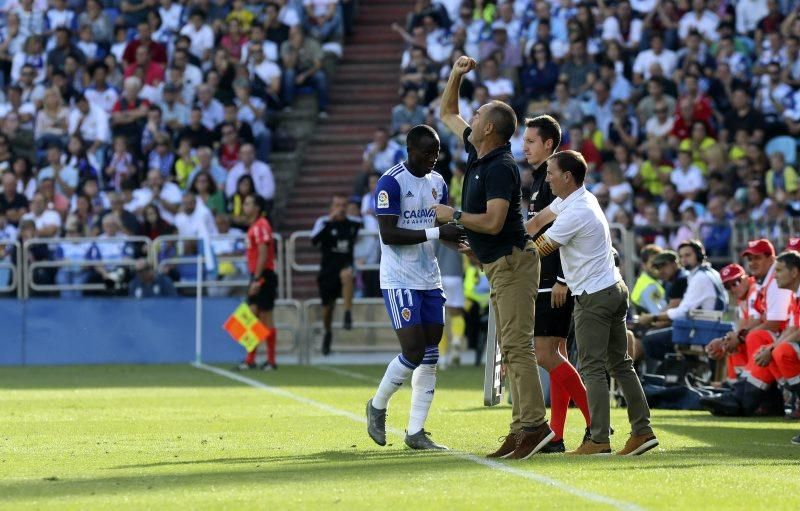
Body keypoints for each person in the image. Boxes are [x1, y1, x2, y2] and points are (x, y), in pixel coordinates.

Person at [435, 56, 553, 460]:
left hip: (513, 263)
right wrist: (455, 74)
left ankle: (535, 427)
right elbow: (447, 111)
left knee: (517, 348)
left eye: (480, 111)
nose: (474, 112)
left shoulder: (501, 165)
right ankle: (521, 428)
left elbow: (495, 219)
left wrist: (452, 214)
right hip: (498, 262)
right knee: (512, 345)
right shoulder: (480, 152)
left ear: (488, 128)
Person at [527, 150, 657, 456]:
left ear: (567, 177)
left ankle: (598, 439)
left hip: (594, 296)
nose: (547, 178)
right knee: (621, 365)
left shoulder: (575, 212)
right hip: (613, 288)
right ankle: (642, 431)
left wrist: (496, 257)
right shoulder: (578, 200)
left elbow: (539, 249)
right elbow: (536, 223)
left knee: (593, 368)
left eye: (551, 173)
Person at [365, 124, 463, 451]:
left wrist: (467, 249)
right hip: (399, 278)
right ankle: (377, 406)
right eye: (427, 152)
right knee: (413, 350)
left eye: (437, 152)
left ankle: (415, 432)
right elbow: (390, 235)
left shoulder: (438, 183)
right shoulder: (390, 182)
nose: (434, 158)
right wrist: (438, 235)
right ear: (410, 150)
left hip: (429, 277)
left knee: (431, 352)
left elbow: (442, 229)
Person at [522, 114, 590, 453]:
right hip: (548, 277)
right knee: (557, 355)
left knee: (546, 353)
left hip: (554, 280)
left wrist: (562, 277)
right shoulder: (541, 180)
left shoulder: (555, 181)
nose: (525, 146)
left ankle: (597, 426)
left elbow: (563, 233)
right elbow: (535, 225)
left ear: (549, 144)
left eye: (531, 141)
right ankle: (557, 435)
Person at [700, 239, 794, 416]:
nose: (733, 288)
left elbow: (776, 322)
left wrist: (740, 336)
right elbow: (755, 322)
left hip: (786, 340)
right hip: (784, 338)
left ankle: (746, 398)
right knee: (740, 340)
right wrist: (728, 339)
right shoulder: (762, 283)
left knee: (755, 337)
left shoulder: (773, 282)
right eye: (728, 286)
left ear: (772, 258)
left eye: (757, 258)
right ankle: (744, 394)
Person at [637, 240, 728, 366]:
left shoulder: (699, 278)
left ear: (699, 255)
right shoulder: (711, 272)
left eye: (688, 255)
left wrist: (653, 317)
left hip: (702, 330)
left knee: (648, 341)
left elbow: (682, 311)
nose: (684, 259)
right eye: (681, 256)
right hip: (708, 326)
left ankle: (684, 371)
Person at [310, 195, 361, 355]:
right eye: (337, 205)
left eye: (343, 205)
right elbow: (314, 241)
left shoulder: (354, 223)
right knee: (327, 309)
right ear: (331, 207)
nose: (341, 208)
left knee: (347, 275)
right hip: (327, 270)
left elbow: (370, 226)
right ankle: (327, 332)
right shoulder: (323, 222)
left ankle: (347, 314)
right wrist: (330, 221)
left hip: (345, 266)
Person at [237, 194, 279, 371]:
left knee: (265, 318)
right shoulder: (254, 226)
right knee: (250, 317)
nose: (244, 206)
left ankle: (271, 360)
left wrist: (257, 278)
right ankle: (250, 359)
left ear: (257, 208)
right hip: (257, 275)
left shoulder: (261, 225)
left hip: (264, 275)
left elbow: (263, 253)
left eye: (247, 203)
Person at [706, 263, 761, 384]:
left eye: (736, 282)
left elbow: (756, 321)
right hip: (760, 335)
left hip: (771, 335)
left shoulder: (754, 289)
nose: (733, 289)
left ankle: (739, 385)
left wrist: (730, 339)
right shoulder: (741, 298)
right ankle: (734, 384)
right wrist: (723, 341)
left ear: (746, 277)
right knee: (731, 342)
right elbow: (741, 328)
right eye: (727, 286)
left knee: (736, 342)